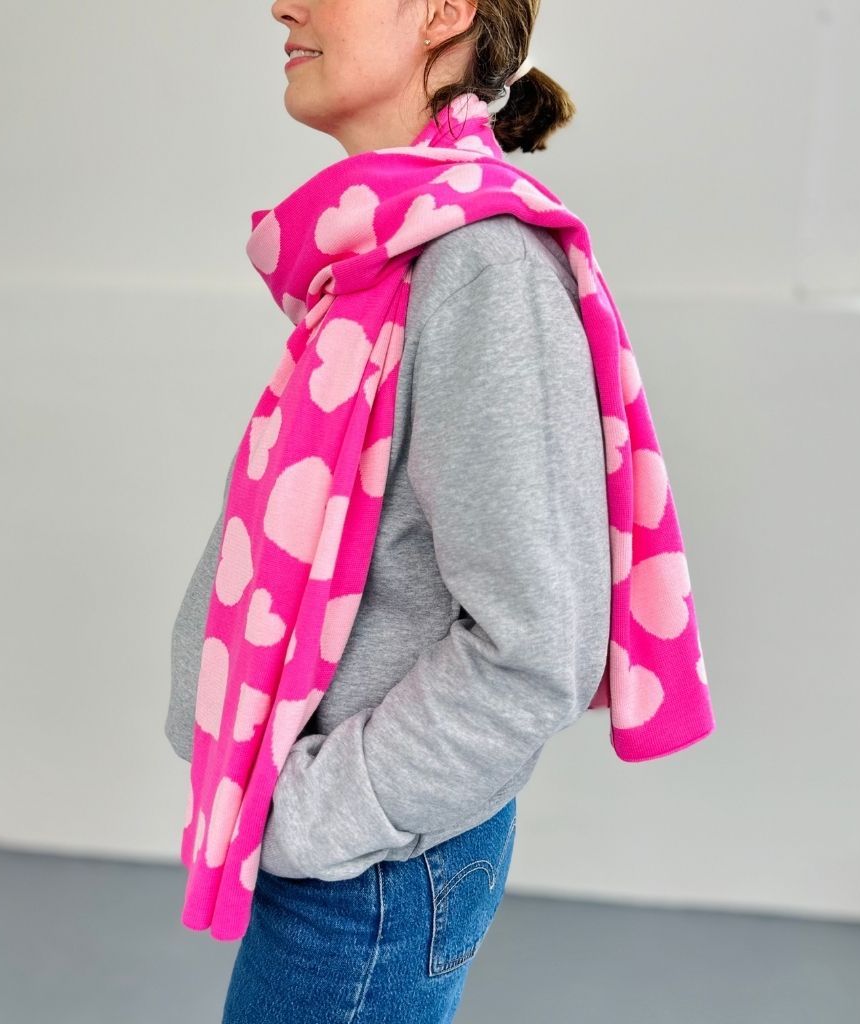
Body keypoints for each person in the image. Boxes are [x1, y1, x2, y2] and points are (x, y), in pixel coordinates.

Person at [166, 1, 611, 1020]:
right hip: (347, 860)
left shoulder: (481, 265)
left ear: (445, 12)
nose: (283, 5)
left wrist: (316, 814)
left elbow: (535, 650)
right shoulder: (390, 248)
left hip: (367, 873)